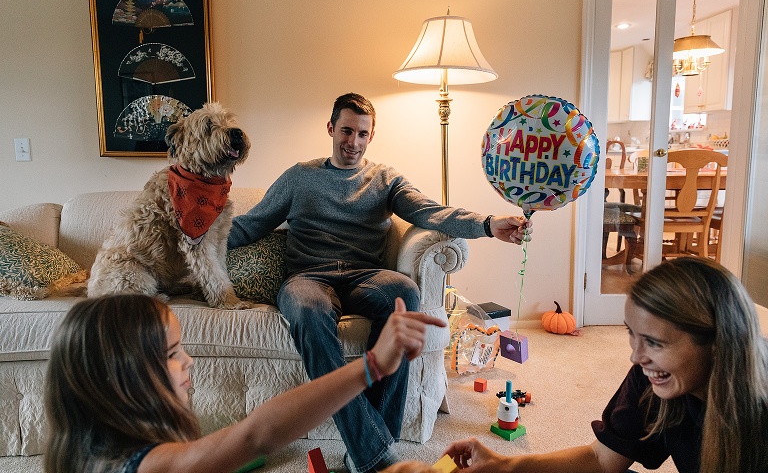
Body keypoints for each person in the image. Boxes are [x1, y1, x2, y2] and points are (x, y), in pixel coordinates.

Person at [227, 92, 532, 472]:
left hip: (364, 276)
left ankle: (367, 447)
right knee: (306, 310)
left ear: (371, 135)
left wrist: (487, 225)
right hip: (308, 277)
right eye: (346, 131)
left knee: (404, 292)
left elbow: (431, 212)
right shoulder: (300, 177)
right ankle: (375, 455)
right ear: (330, 128)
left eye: (361, 133)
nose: (353, 141)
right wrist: (190, 240)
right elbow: (250, 224)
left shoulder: (385, 179)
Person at [43, 293, 445, 473]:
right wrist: (370, 367)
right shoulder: (149, 468)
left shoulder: (86, 452)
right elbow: (258, 436)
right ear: (119, 379)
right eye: (170, 354)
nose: (189, 360)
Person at [442, 256, 768, 473]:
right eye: (632, 335)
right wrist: (501, 465)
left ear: (716, 343)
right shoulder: (652, 377)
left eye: (654, 342)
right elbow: (601, 459)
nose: (637, 358)